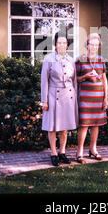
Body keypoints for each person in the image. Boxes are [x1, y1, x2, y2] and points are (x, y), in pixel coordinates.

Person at [40, 33, 78, 166]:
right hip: (52, 95)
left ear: (67, 45)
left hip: (68, 96)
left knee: (64, 127)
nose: (62, 45)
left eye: (64, 43)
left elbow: (74, 82)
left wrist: (75, 99)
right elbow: (44, 81)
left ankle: (62, 152)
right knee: (52, 126)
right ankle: (53, 153)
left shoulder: (71, 60)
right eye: (59, 43)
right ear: (55, 45)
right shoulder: (48, 59)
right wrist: (44, 100)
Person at [75, 33, 108, 164]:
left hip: (99, 98)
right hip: (84, 98)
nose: (94, 47)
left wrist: (106, 98)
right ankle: (79, 152)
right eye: (91, 44)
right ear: (87, 45)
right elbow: (75, 79)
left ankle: (93, 150)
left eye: (96, 45)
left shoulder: (101, 60)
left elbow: (105, 80)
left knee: (96, 125)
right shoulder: (80, 60)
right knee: (84, 125)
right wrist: (86, 77)